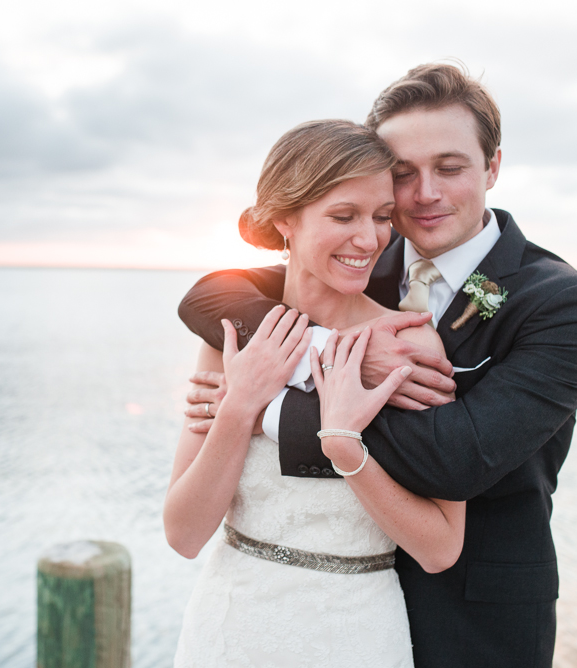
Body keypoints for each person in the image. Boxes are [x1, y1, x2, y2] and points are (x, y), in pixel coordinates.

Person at [178, 63, 577, 668]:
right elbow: (209, 297)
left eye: (451, 167)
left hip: (473, 617)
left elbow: (456, 458)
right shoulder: (362, 258)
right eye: (404, 174)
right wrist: (326, 350)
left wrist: (264, 408)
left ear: (492, 168)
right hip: (301, 607)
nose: (425, 194)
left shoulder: (562, 302)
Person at [164, 119, 466, 667]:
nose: (370, 239)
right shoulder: (233, 341)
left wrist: (347, 449)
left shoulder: (409, 345)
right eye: (343, 216)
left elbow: (441, 547)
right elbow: (183, 535)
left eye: (380, 217)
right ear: (285, 218)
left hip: (357, 633)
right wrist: (240, 406)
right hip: (230, 630)